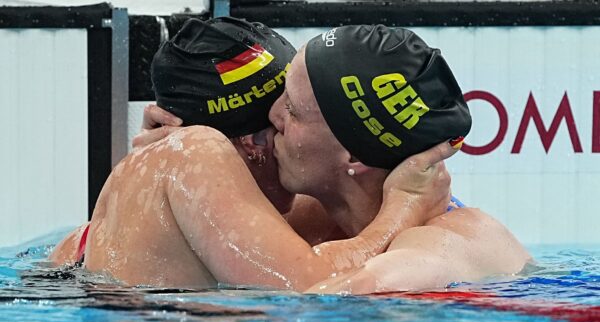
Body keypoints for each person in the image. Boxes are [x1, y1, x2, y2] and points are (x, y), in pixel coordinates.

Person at [49, 18, 456, 291]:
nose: (283, 145)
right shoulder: (198, 150)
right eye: (278, 127)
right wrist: (403, 208)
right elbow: (309, 288)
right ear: (250, 142)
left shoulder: (88, 235)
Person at [133, 23, 531, 295]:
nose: (274, 118)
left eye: (292, 110)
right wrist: (166, 179)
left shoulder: (444, 244)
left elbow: (326, 298)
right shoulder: (319, 218)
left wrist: (404, 210)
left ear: (353, 152)